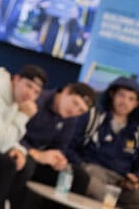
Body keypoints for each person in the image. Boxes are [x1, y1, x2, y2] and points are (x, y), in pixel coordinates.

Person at [6, 80, 97, 209]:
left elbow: (60, 146)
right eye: (75, 103)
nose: (74, 111)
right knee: (28, 164)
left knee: (80, 177)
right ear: (66, 91)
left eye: (81, 110)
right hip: (18, 151)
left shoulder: (71, 118)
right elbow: (13, 134)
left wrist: (59, 159)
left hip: (40, 161)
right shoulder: (38, 100)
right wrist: (36, 154)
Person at [0, 64, 48, 209]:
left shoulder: (15, 97)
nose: (30, 94)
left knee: (24, 163)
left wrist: (18, 149)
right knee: (5, 164)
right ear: (16, 79)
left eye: (36, 92)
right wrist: (23, 115)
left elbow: (4, 133)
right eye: (28, 85)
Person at [69, 77, 139, 209]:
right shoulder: (93, 116)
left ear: (137, 103)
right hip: (93, 171)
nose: (125, 102)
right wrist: (81, 165)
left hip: (121, 181)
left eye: (131, 99)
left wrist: (135, 177)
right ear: (112, 95)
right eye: (121, 95)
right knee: (99, 192)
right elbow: (69, 145)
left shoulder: (137, 131)